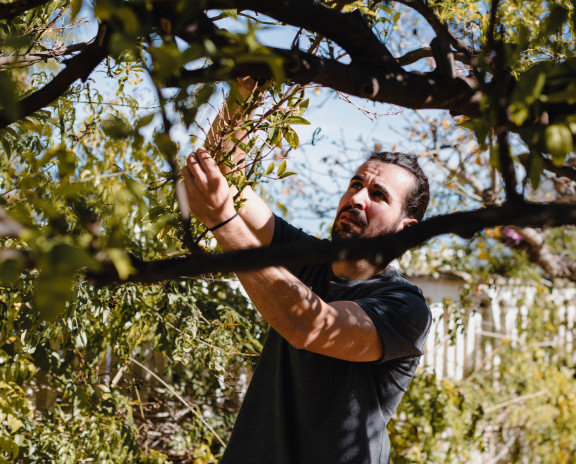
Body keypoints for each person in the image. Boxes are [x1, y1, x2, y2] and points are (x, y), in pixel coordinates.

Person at [181, 85, 432, 463]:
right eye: (355, 184)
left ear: (406, 229)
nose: (357, 198)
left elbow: (310, 327)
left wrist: (224, 222)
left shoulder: (404, 307)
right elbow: (226, 177)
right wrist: (243, 93)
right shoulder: (306, 256)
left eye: (378, 195)